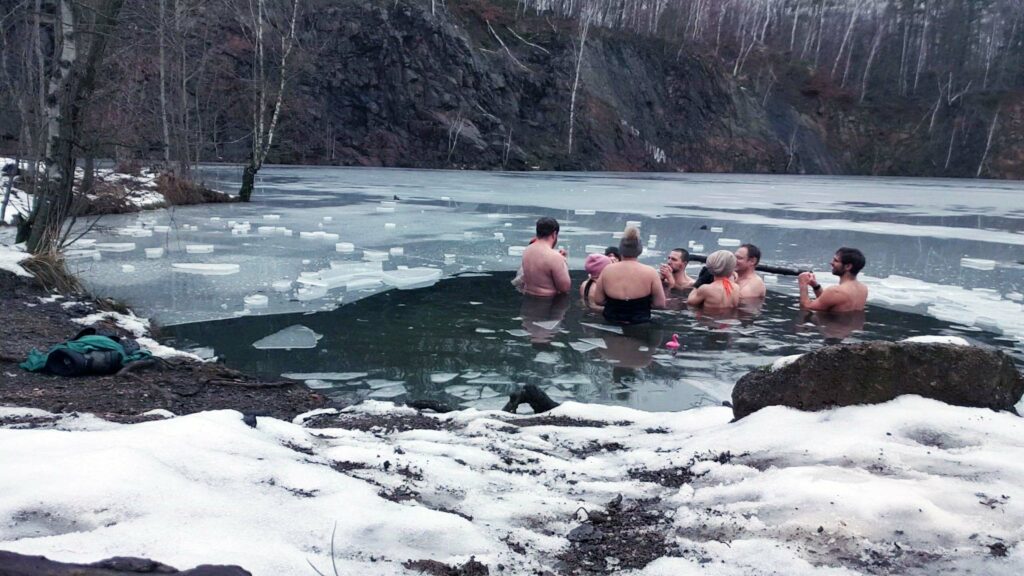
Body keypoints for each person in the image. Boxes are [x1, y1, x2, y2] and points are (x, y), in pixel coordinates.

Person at [591, 227, 666, 324]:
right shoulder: (650, 272)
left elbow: (598, 300)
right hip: (640, 323)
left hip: (612, 321)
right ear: (639, 250)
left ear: (621, 250)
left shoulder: (607, 270)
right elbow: (660, 304)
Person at [798, 247, 868, 312]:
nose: (831, 263)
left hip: (830, 325)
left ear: (848, 266)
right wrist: (815, 286)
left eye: (836, 260)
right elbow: (828, 301)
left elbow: (806, 307)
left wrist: (803, 284)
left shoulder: (835, 291)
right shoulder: (863, 289)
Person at [518, 217, 571, 297]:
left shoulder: (527, 250)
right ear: (554, 234)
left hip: (528, 300)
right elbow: (564, 287)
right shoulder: (555, 257)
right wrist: (563, 263)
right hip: (548, 303)